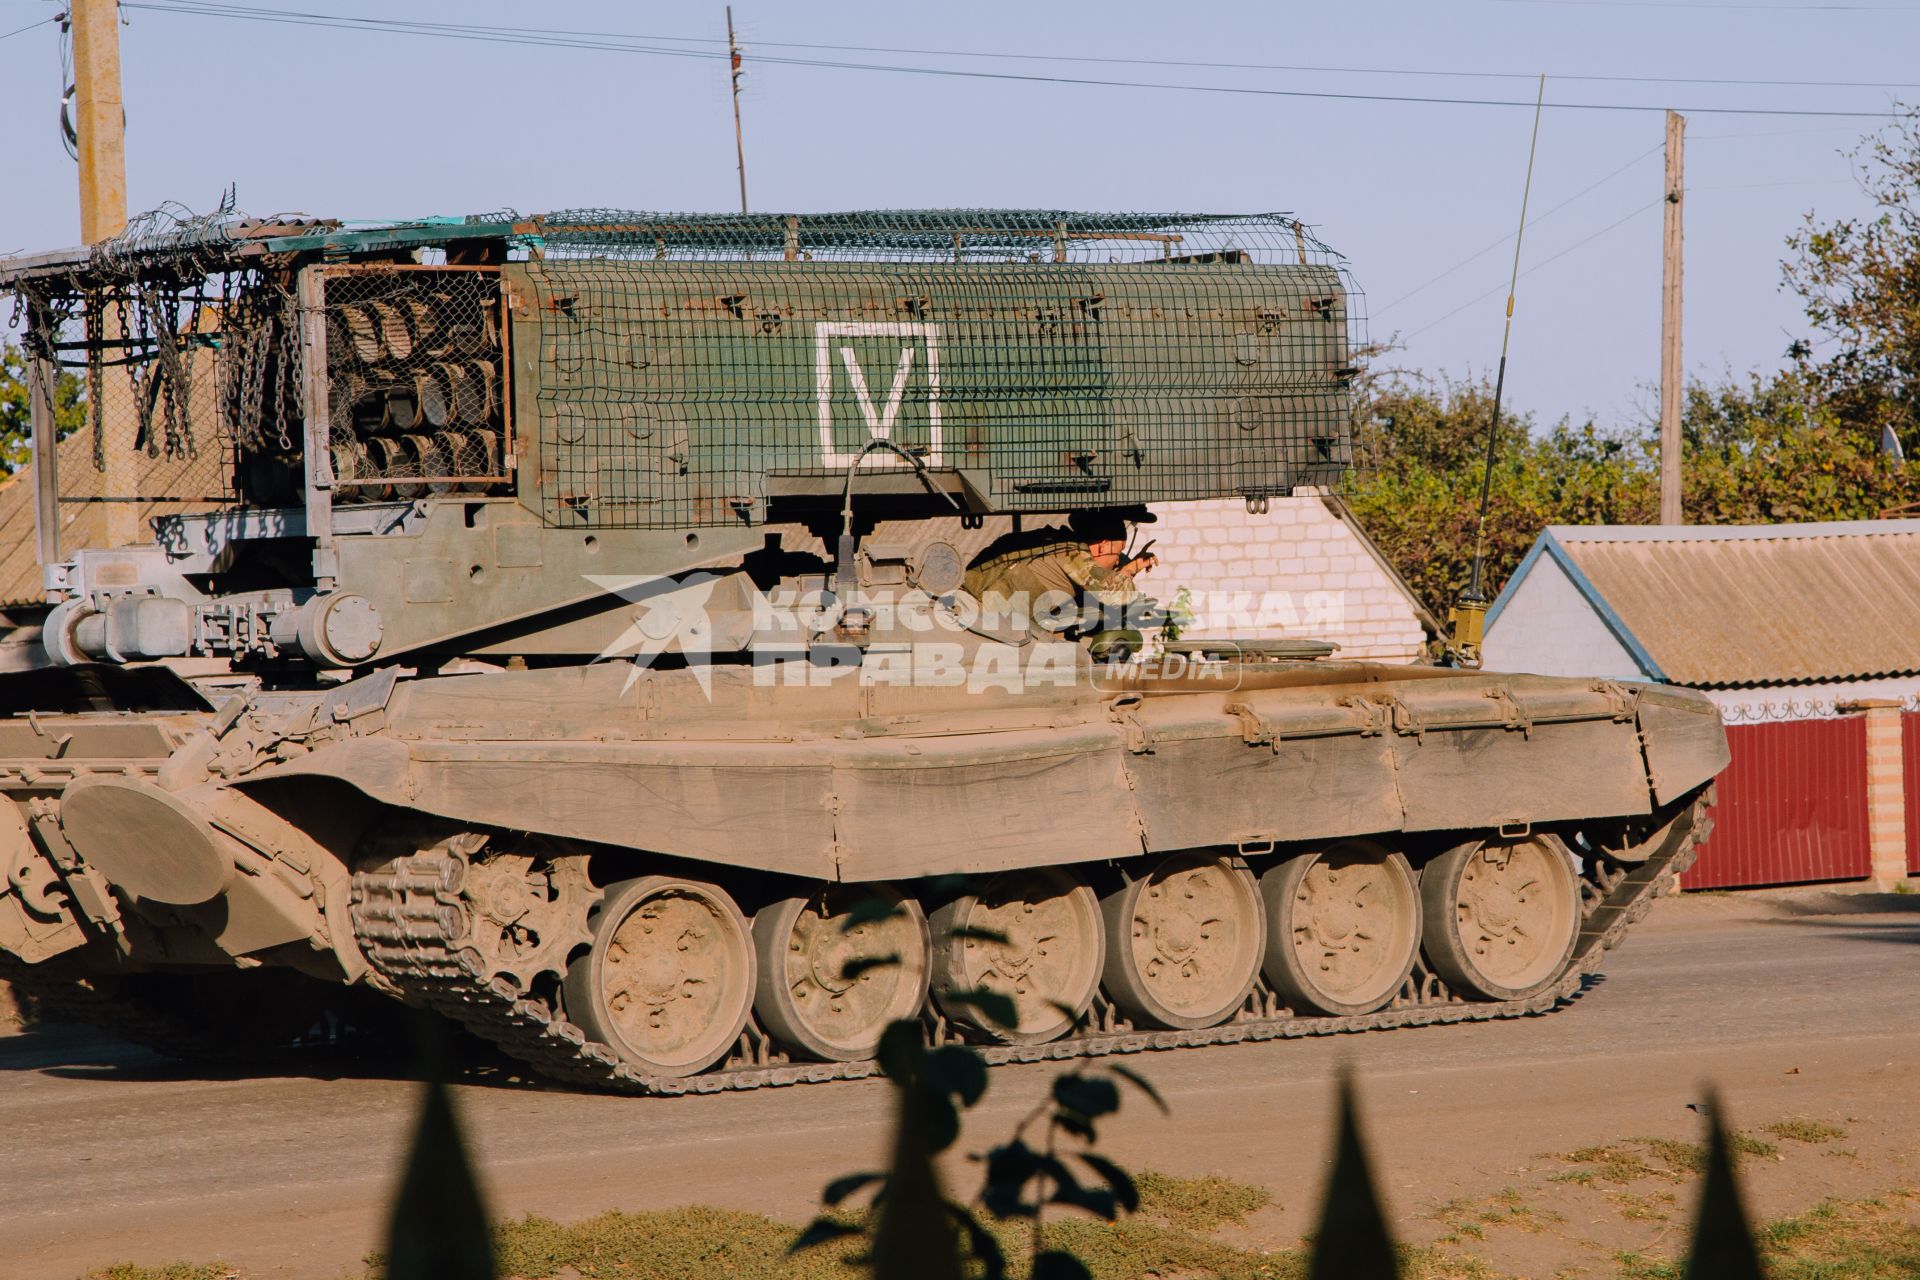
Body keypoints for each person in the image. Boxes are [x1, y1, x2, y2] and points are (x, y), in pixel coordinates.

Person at [961, 508, 1159, 659]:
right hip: (979, 620)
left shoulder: (1060, 544)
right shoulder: (1074, 555)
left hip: (982, 614)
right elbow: (1117, 596)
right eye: (1118, 552)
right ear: (1103, 545)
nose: (1117, 561)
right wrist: (1130, 569)